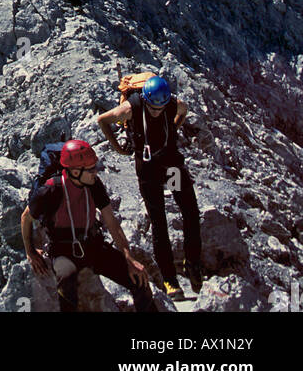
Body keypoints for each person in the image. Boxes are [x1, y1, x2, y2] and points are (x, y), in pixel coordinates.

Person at [97, 75, 203, 298]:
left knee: (190, 211)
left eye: (161, 108)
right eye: (153, 108)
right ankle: (170, 280)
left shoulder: (173, 103)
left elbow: (183, 111)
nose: (157, 111)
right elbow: (102, 120)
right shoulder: (132, 107)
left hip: (171, 165)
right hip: (148, 169)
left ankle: (192, 263)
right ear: (145, 100)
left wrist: (173, 129)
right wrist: (117, 147)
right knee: (159, 221)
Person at [22, 140, 157, 313]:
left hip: (93, 246)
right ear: (76, 171)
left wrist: (129, 258)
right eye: (91, 169)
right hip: (63, 251)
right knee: (66, 283)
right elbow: (26, 217)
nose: (95, 172)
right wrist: (30, 252)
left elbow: (112, 223)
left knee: (138, 279)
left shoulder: (94, 185)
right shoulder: (52, 189)